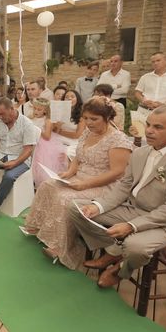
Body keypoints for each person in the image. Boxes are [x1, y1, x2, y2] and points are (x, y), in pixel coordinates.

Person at [70, 105, 166, 288]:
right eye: (148, 124)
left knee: (136, 247)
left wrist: (131, 226)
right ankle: (115, 250)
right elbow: (124, 186)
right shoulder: (140, 152)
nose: (149, 131)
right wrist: (98, 206)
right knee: (77, 208)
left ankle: (120, 270)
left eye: (158, 127)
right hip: (132, 209)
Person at [25, 97, 133, 268]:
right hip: (79, 178)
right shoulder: (88, 133)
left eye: (94, 119)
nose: (89, 123)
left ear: (107, 117)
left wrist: (86, 184)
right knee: (47, 185)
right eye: (86, 118)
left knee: (64, 198)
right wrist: (69, 172)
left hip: (104, 185)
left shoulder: (118, 140)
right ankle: (39, 227)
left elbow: (117, 172)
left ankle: (61, 247)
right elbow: (78, 156)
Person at [0, 98, 40, 222]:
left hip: (20, 158)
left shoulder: (27, 124)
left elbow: (28, 150)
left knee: (9, 176)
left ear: (12, 109)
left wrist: (14, 163)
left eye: (2, 113)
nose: (0, 117)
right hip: (0, 155)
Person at [29, 98, 65, 188]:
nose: (36, 111)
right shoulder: (31, 117)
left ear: (45, 110)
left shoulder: (47, 121)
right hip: (31, 141)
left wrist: (38, 130)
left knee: (39, 164)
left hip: (42, 144)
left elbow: (47, 137)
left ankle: (40, 184)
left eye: (39, 109)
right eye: (35, 108)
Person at [53, 89, 86, 159]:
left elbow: (77, 135)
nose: (69, 98)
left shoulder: (82, 115)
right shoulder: (58, 112)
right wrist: (58, 126)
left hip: (73, 142)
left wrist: (60, 131)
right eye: (66, 97)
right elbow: (54, 130)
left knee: (65, 153)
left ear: (77, 99)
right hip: (58, 139)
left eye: (72, 96)